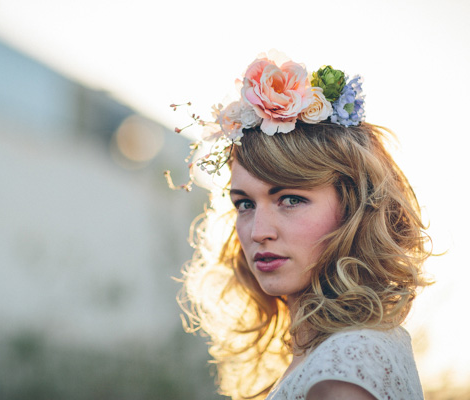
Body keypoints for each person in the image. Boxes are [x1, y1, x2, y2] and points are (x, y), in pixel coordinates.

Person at [169, 50, 432, 400]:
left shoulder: (345, 369)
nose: (258, 230)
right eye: (244, 204)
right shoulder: (336, 352)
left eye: (290, 199)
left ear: (353, 207)